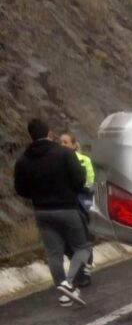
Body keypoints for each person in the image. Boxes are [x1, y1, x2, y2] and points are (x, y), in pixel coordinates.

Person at [14, 118, 90, 306]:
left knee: (54, 253)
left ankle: (65, 294)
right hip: (66, 208)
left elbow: (20, 190)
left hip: (42, 212)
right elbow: (80, 180)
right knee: (82, 247)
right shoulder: (64, 153)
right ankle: (69, 283)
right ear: (49, 133)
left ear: (30, 135)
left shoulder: (23, 160)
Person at [60, 131, 95, 285]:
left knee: (85, 239)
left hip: (81, 203)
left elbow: (90, 181)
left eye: (65, 142)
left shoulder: (84, 160)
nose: (62, 145)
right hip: (64, 205)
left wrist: (79, 187)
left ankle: (85, 272)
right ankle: (77, 270)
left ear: (74, 145)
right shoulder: (56, 161)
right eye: (60, 142)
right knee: (67, 243)